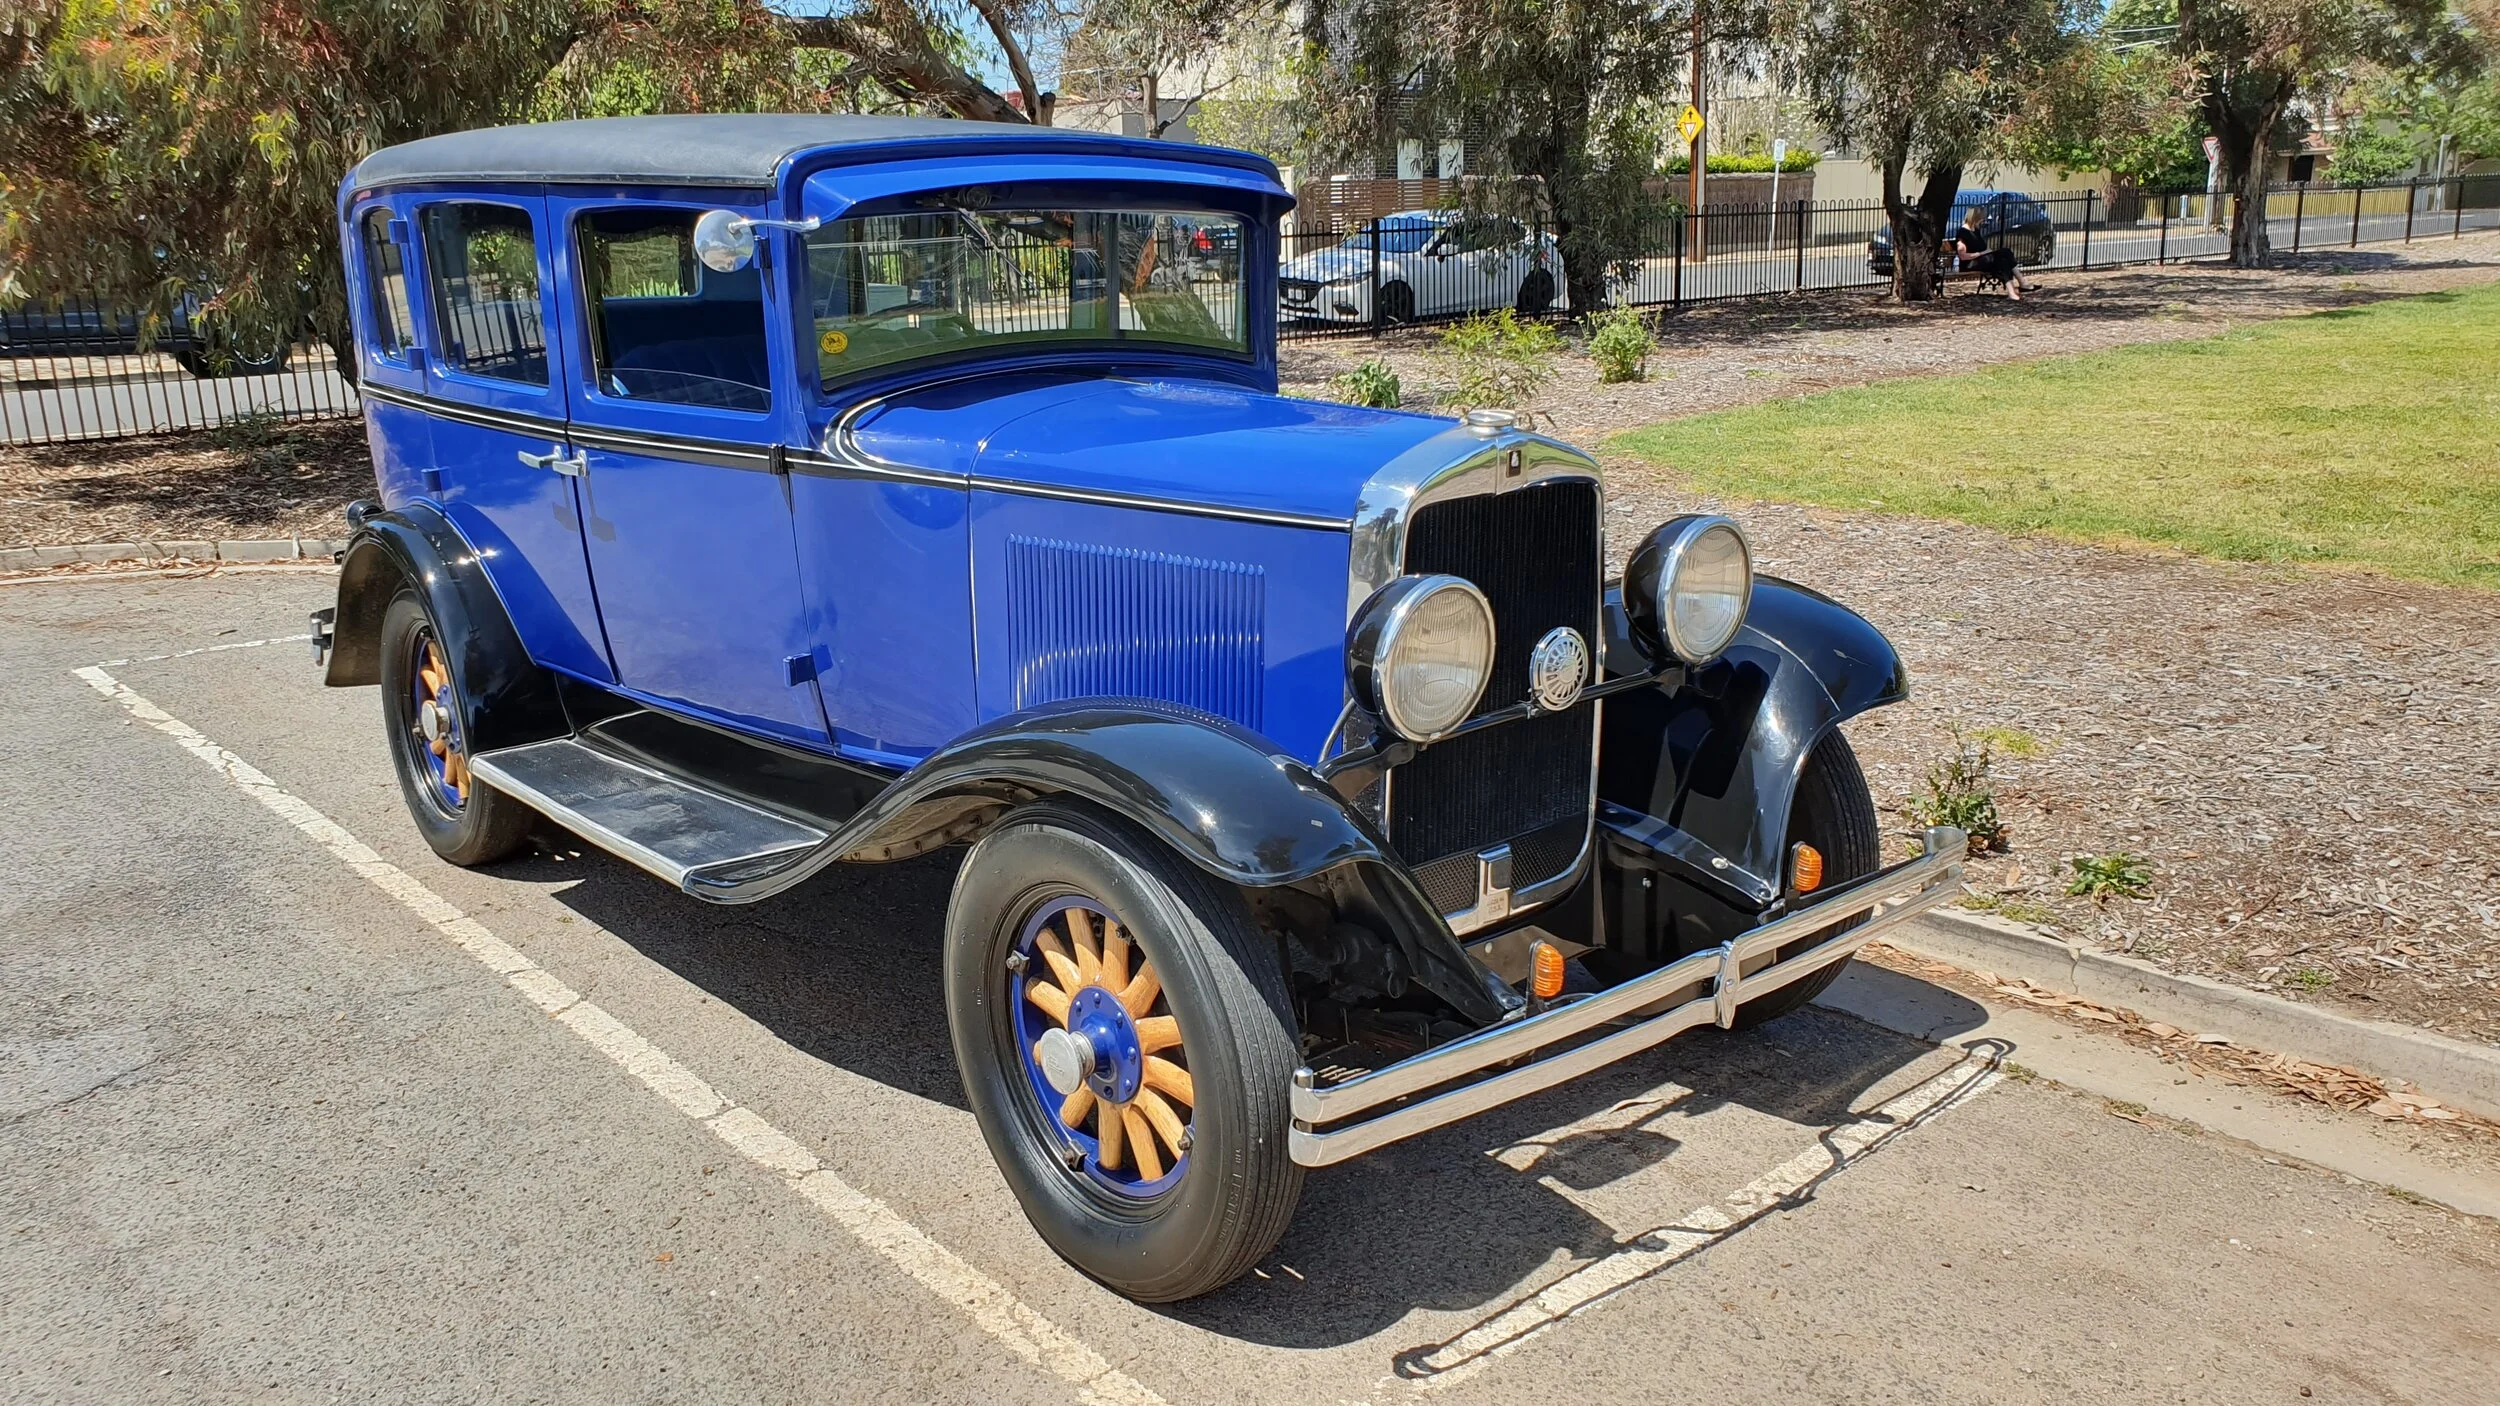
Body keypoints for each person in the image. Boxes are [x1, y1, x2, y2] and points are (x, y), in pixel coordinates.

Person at [1952, 205, 2025, 300]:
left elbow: (1984, 248)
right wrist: (1982, 253)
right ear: (1976, 218)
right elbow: (1963, 256)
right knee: (2003, 255)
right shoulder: (1963, 232)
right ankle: (2021, 284)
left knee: (2004, 257)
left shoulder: (1976, 230)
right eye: (1982, 218)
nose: (1983, 221)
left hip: (1983, 261)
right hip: (1970, 264)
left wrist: (1987, 252)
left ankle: (2013, 291)